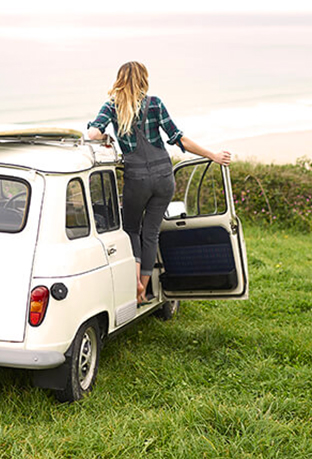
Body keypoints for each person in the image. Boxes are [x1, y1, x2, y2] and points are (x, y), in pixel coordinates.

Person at [88, 61, 231, 306]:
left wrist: (107, 136)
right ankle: (144, 291)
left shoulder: (113, 105)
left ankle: (135, 285)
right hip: (164, 177)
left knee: (132, 229)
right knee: (151, 232)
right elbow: (179, 139)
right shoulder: (154, 103)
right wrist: (212, 155)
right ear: (144, 79)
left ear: (119, 79)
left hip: (137, 180)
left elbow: (93, 134)